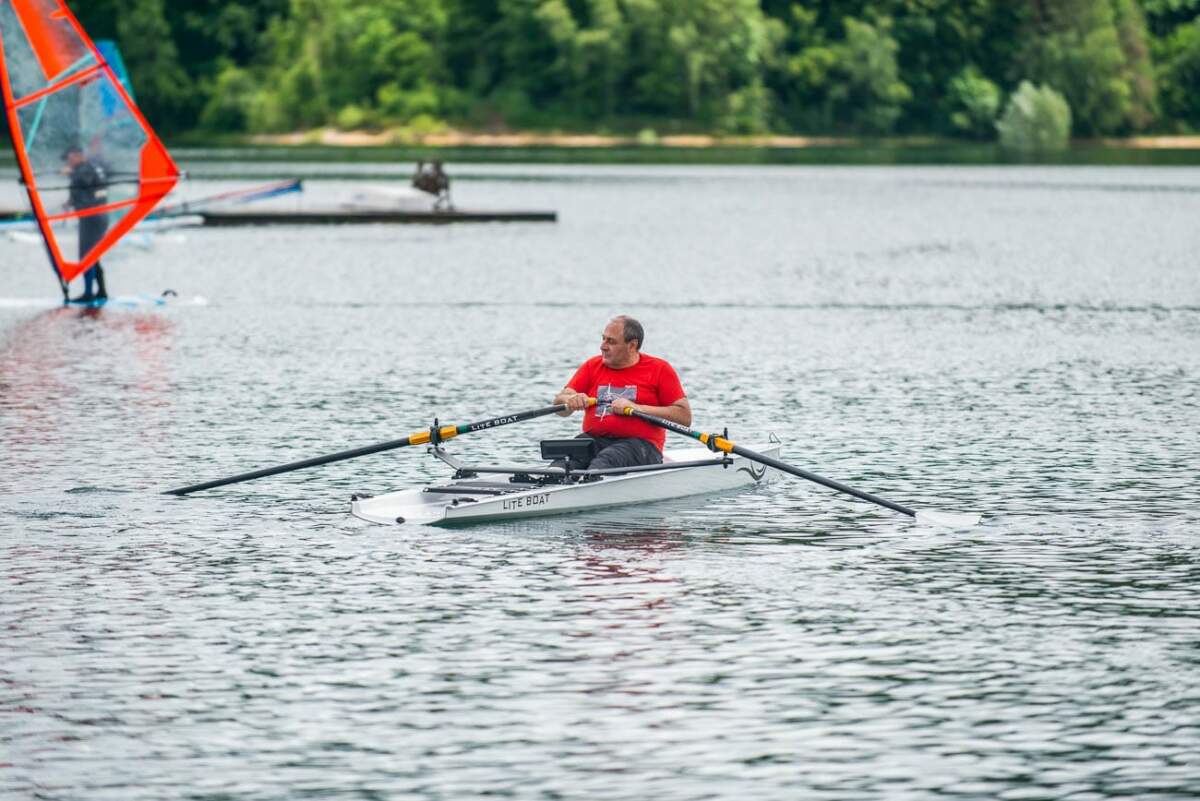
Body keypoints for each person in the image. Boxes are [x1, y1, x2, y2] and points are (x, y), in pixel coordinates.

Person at [554, 316, 692, 470]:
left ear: (632, 345)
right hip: (594, 441)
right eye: (603, 339)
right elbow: (560, 406)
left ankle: (591, 482)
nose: (603, 346)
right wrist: (571, 400)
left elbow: (684, 417)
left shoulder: (659, 369)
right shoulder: (592, 366)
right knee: (561, 463)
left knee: (605, 461)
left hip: (641, 446)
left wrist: (636, 408)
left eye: (611, 342)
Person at [62, 145, 109, 302]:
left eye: (69, 159)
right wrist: (69, 202)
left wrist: (71, 174)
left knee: (86, 255)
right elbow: (85, 189)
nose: (68, 163)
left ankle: (88, 293)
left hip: (91, 217)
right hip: (98, 216)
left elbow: (82, 180)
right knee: (93, 255)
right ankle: (101, 291)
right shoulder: (92, 167)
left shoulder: (83, 169)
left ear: (78, 156)